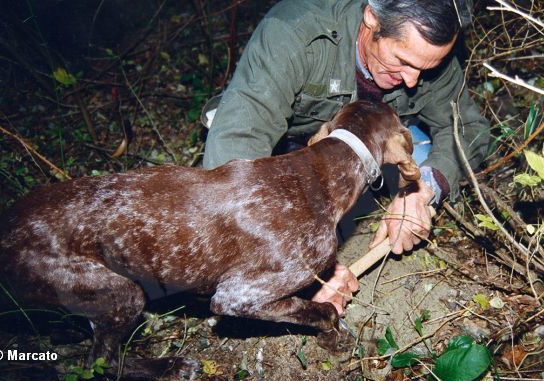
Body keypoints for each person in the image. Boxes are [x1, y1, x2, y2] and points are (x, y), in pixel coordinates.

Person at [202, 0, 489, 316]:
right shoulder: (296, 31)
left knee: (430, 164)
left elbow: (467, 127)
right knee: (242, 196)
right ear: (371, 18)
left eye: (426, 69)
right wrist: (305, 267)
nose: (412, 80)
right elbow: (239, 139)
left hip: (371, 143)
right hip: (290, 146)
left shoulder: (429, 54)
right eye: (402, 61)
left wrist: (423, 190)